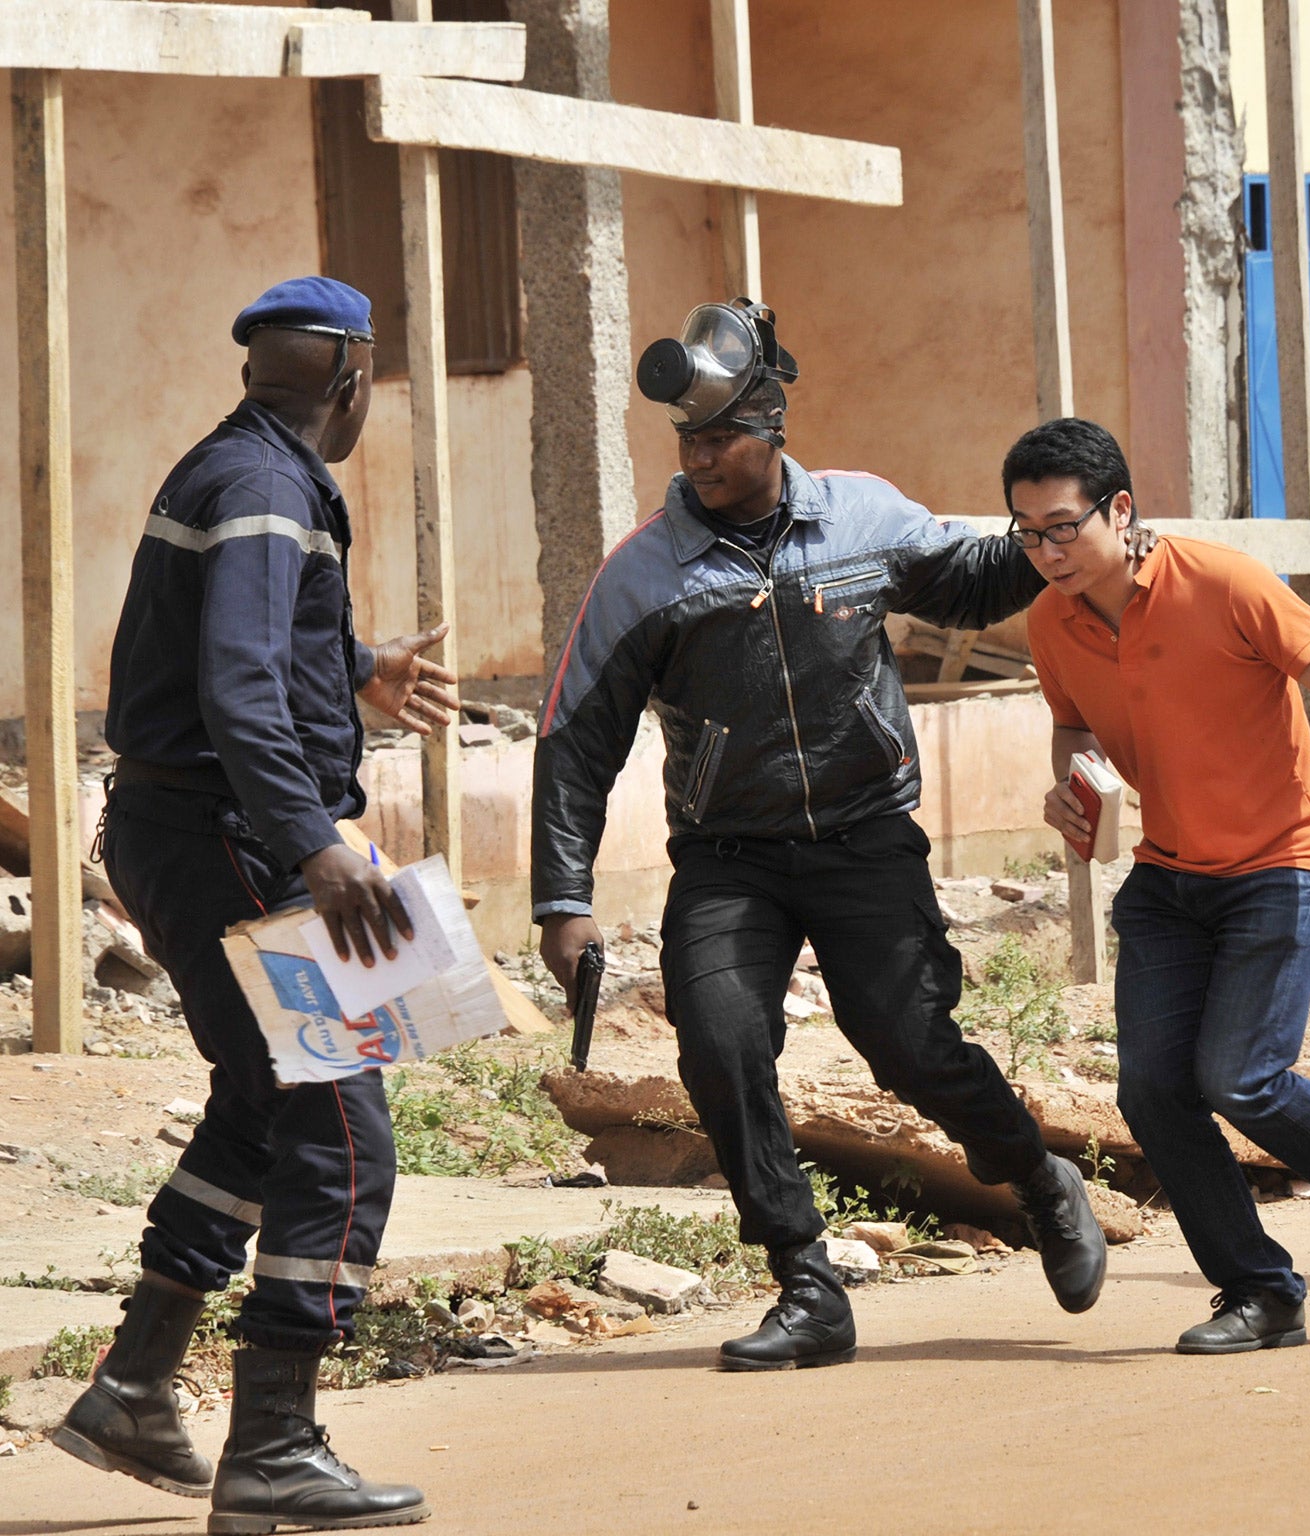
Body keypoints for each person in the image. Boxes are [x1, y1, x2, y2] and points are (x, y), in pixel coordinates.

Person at [532, 299, 1113, 1371]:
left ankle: (1037, 1179)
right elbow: (574, 739)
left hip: (863, 838)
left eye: (720, 437)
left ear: (771, 424)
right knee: (719, 1042)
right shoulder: (643, 574)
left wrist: (1063, 535)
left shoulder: (865, 519)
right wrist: (560, 902)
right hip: (729, 858)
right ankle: (806, 1282)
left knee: (909, 1046)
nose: (701, 458)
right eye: (687, 441)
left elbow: (980, 579)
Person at [56, 276, 454, 1532]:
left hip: (180, 834)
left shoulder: (234, 469)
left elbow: (242, 645)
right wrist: (314, 844)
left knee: (255, 1101)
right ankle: (274, 1442)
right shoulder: (273, 488)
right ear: (356, 381)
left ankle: (133, 1385)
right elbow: (235, 682)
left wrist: (353, 667)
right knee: (342, 1124)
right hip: (236, 843)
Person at [1011, 417, 1310, 1354]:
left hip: (1280, 867)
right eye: (1028, 533)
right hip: (1169, 882)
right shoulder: (1052, 621)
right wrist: (1073, 785)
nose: (1046, 552)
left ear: (1119, 512)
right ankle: (1259, 1290)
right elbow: (1071, 724)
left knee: (1240, 1077)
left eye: (1062, 527)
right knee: (1155, 1092)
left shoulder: (1226, 582)